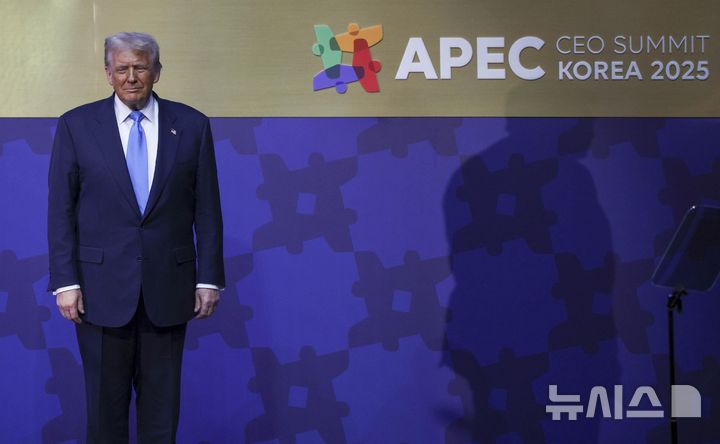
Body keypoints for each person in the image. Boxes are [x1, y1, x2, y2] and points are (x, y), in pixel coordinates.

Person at [47, 32, 224, 443]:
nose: (131, 77)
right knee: (104, 416)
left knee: (162, 415)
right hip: (99, 292)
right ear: (107, 73)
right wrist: (65, 282)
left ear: (156, 72)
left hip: (169, 289)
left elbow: (208, 209)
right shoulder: (76, 125)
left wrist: (209, 278)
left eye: (140, 68)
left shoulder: (192, 125)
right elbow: (61, 210)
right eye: (122, 68)